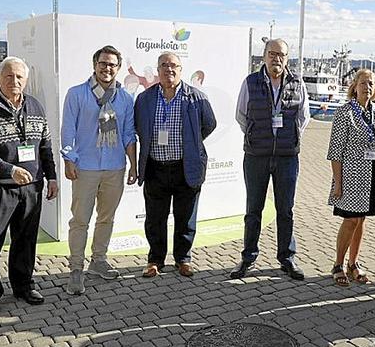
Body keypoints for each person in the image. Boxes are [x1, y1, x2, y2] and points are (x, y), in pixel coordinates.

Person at [0, 57, 58, 317]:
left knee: (26, 241)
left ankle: (23, 285)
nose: (15, 81)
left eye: (20, 77)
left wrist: (52, 177)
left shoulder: (35, 106)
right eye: (9, 76)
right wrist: (8, 169)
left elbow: (45, 146)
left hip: (31, 187)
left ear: (26, 79)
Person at [230, 38, 310, 280]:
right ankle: (248, 257)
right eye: (272, 54)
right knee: (253, 209)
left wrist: (287, 139)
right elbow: (241, 116)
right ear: (264, 56)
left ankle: (287, 258)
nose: (277, 59)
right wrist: (259, 137)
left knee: (285, 210)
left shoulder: (297, 83)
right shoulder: (251, 82)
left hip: (287, 157)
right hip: (257, 156)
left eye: (282, 55)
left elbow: (303, 118)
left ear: (287, 59)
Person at [61, 45, 137, 295]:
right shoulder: (77, 94)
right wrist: (69, 159)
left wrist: (133, 164)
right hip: (86, 168)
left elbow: (128, 133)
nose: (107, 68)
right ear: (95, 65)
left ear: (118, 68)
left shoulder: (125, 98)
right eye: (103, 63)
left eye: (112, 64)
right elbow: (68, 129)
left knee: (107, 218)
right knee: (80, 220)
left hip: (114, 167)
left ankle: (98, 260)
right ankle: (75, 269)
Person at [134, 52, 216, 278]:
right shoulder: (145, 98)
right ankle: (155, 260)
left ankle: (183, 259)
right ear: (157, 70)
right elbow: (139, 128)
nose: (169, 70)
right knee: (155, 218)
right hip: (155, 168)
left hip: (185, 167)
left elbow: (209, 125)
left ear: (181, 70)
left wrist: (191, 143)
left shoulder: (197, 98)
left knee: (185, 217)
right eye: (164, 66)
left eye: (174, 66)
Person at [327, 69, 375, 286]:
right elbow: (335, 151)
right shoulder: (345, 112)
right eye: (363, 83)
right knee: (351, 219)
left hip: (371, 174)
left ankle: (353, 263)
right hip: (351, 176)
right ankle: (337, 263)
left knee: (361, 219)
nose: (367, 87)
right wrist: (338, 182)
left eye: (371, 83)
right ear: (354, 86)